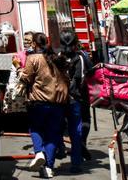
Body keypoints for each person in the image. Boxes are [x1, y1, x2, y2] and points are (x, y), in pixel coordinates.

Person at [20, 33, 69, 178]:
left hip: (38, 102)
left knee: (35, 128)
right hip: (58, 102)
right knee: (52, 135)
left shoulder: (33, 58)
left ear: (34, 44)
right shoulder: (58, 58)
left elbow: (26, 78)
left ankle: (39, 152)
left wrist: (18, 68)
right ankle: (48, 167)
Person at [57, 32, 93, 173]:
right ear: (75, 43)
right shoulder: (81, 57)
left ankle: (57, 152)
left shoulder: (58, 57)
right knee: (77, 130)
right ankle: (76, 162)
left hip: (59, 99)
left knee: (58, 127)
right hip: (77, 98)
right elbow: (89, 73)